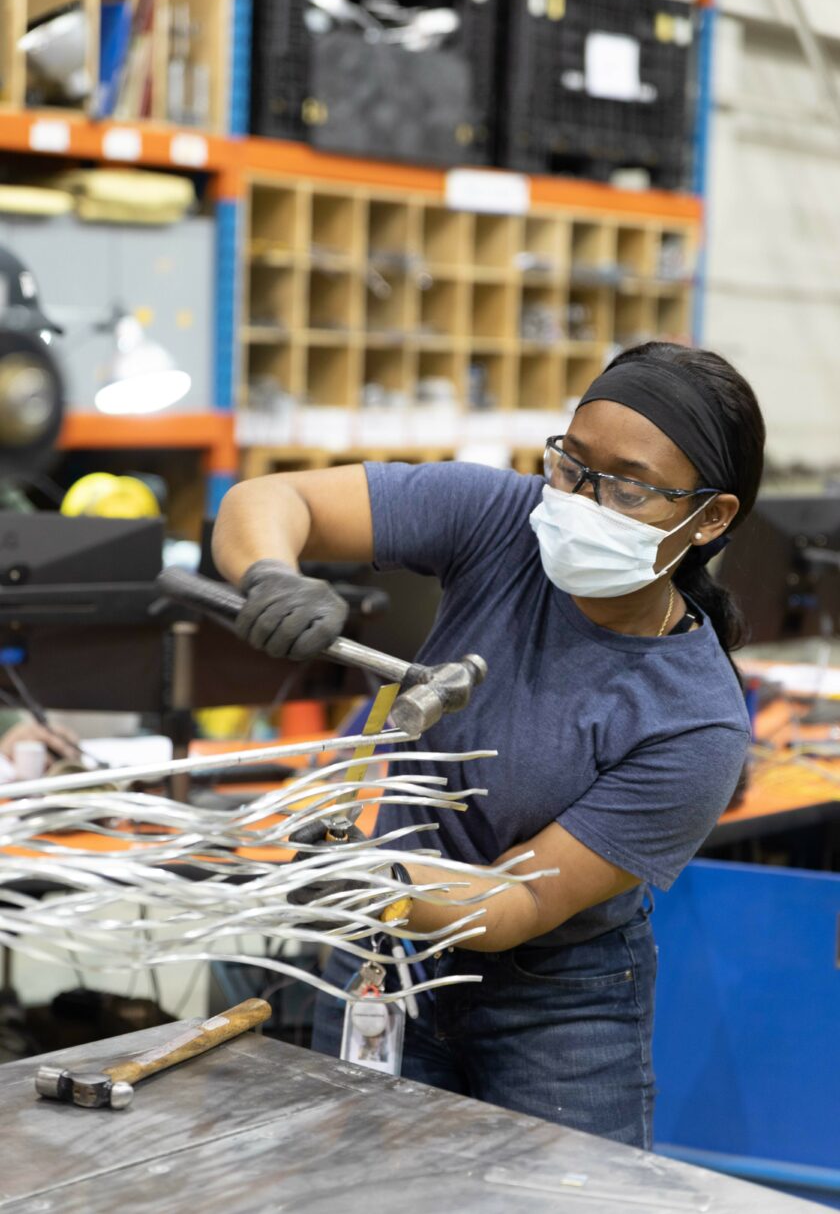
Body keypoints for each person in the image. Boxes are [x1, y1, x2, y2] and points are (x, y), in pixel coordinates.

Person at [212, 341, 765, 1148]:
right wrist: (269, 574)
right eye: (573, 465)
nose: (582, 500)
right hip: (384, 962)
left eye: (630, 486)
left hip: (557, 1003)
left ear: (710, 517)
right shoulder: (501, 521)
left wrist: (364, 878)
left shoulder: (696, 722)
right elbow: (268, 499)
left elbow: (523, 900)